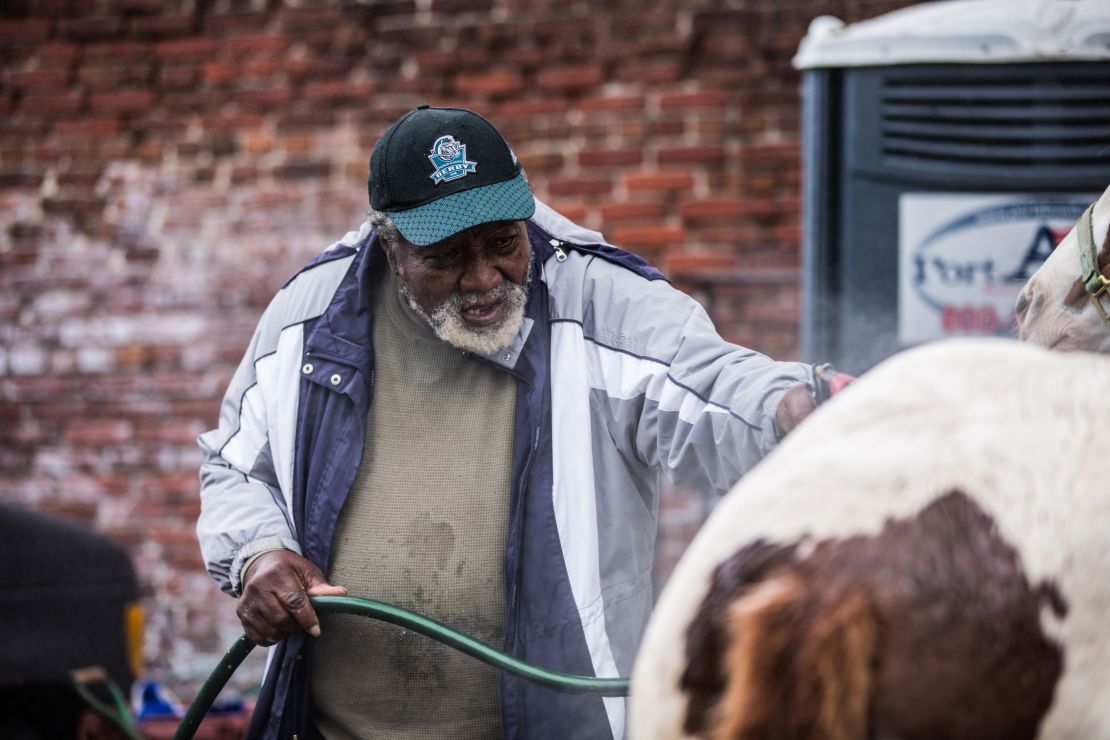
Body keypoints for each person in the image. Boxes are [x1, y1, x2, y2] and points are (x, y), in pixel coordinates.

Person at [196, 105, 835, 740]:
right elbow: (232, 464)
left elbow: (712, 385)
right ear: (389, 246)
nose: (483, 279)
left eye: (503, 243)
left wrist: (799, 404)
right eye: (447, 257)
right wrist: (257, 554)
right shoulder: (310, 316)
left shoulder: (600, 299)